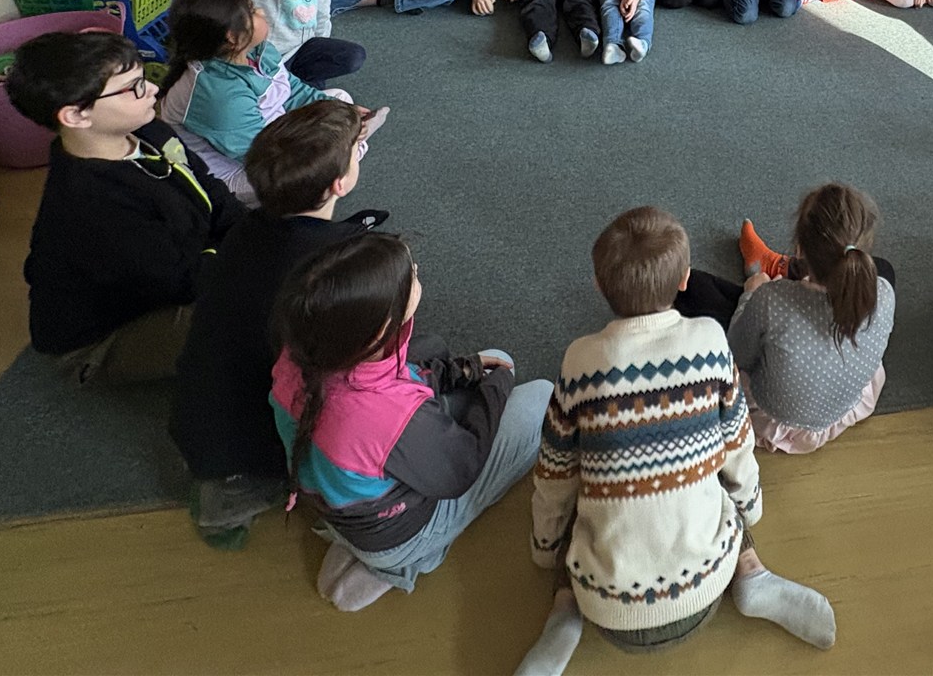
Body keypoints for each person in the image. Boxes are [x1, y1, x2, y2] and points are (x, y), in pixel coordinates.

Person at [514, 207, 836, 675]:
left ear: (599, 286)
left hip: (606, 609)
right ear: (685, 280)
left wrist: (545, 550)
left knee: (586, 490)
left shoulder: (579, 361)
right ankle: (751, 573)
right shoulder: (711, 339)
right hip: (706, 587)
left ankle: (564, 610)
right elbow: (737, 444)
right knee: (709, 471)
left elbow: (554, 472)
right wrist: (750, 510)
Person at [272, 233, 552, 612]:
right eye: (412, 276)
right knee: (539, 395)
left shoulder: (296, 356)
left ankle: (355, 546)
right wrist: (496, 386)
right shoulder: (383, 419)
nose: (416, 271)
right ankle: (401, 563)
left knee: (436, 351)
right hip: (398, 532)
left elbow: (394, 384)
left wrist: (460, 371)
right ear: (378, 331)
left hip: (342, 502)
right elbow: (460, 470)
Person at [169, 102, 385, 548]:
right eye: (356, 151)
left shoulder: (247, 230)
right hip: (257, 445)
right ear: (339, 183)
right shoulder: (336, 267)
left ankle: (225, 485)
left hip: (196, 415)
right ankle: (237, 497)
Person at [8, 30, 241, 385]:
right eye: (133, 87)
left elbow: (210, 188)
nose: (153, 90)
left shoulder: (147, 131)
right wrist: (248, 254)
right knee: (253, 313)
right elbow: (184, 282)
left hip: (175, 268)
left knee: (276, 255)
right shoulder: (90, 206)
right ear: (76, 116)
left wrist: (253, 233)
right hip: (102, 340)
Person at [679, 184, 896, 454]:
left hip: (776, 420)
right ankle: (786, 268)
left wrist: (751, 293)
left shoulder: (771, 300)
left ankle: (778, 269)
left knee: (696, 287)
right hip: (843, 408)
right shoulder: (883, 292)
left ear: (800, 249)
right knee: (884, 268)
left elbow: (738, 355)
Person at [158, 0, 383, 203]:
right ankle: (345, 158)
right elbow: (261, 157)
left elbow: (292, 91)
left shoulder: (257, 51)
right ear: (232, 37)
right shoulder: (218, 97)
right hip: (235, 171)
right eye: (253, 11)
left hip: (266, 129)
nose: (262, 11)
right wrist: (331, 137)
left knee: (341, 99)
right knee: (301, 179)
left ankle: (344, 157)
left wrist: (341, 114)